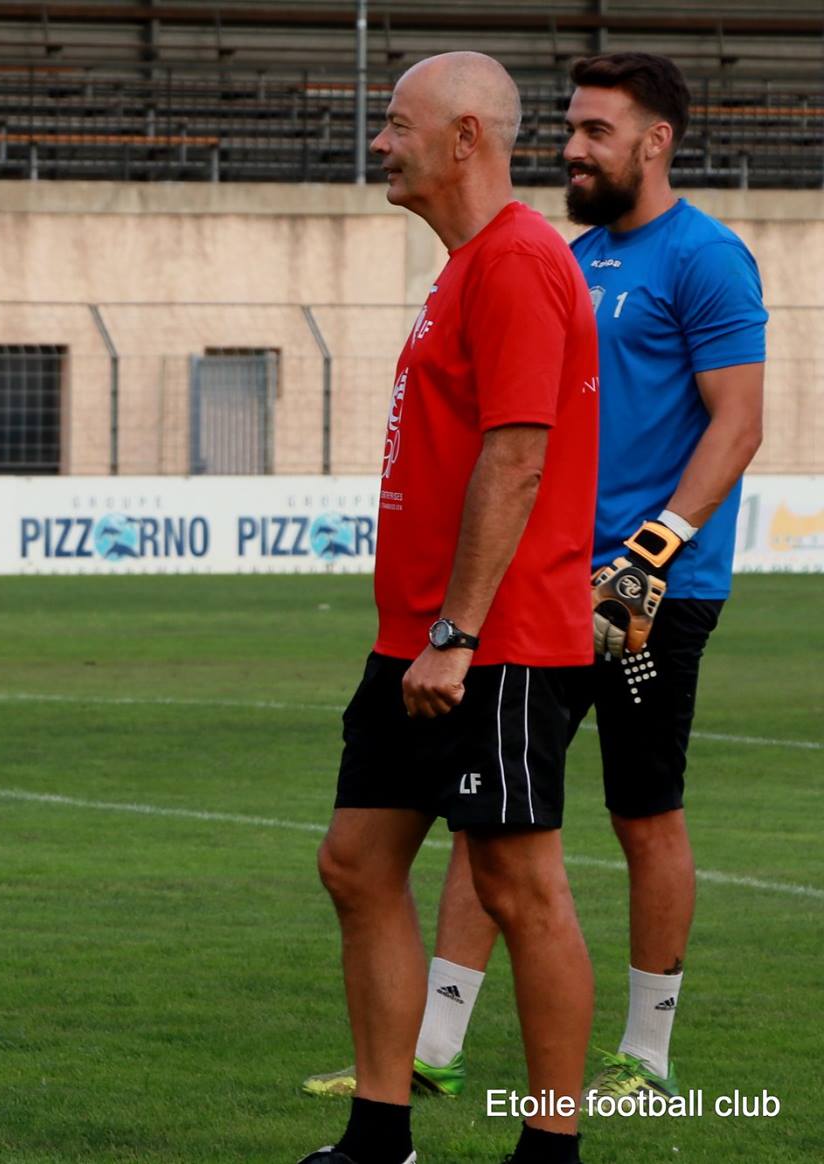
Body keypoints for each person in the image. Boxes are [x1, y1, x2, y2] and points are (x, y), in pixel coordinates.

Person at [300, 51, 765, 1108]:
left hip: (618, 593)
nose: (573, 147)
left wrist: (647, 555)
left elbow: (733, 424)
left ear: (654, 140)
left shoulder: (699, 258)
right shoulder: (563, 255)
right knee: (472, 844)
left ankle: (640, 1057)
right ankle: (433, 1050)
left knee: (631, 818)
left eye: (598, 130)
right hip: (518, 584)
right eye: (569, 127)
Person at [296, 52, 601, 1164]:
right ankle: (380, 1135)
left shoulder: (516, 263)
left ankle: (549, 1145)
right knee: (355, 863)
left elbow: (516, 458)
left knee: (520, 886)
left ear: (463, 136)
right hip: (418, 639)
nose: (379, 142)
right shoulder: (464, 266)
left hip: (491, 643)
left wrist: (457, 634)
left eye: (393, 124)